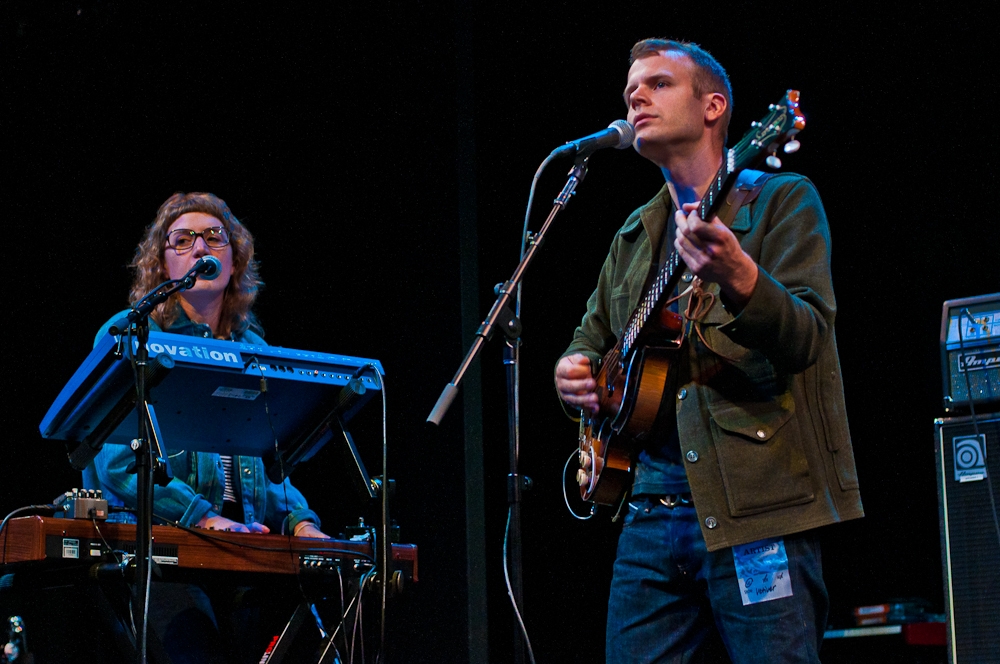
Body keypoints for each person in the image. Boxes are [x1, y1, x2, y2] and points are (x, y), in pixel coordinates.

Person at [554, 40, 864, 663]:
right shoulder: (635, 235)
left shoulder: (781, 201)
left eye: (659, 84)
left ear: (714, 106)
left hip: (757, 510)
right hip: (648, 516)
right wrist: (574, 377)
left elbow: (808, 338)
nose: (635, 96)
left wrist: (742, 278)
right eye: (630, 91)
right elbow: (588, 342)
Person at [83, 191, 330, 663]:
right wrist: (201, 515)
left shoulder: (253, 346)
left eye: (214, 237)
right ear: (163, 266)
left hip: (242, 547)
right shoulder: (131, 333)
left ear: (234, 262)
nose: (200, 247)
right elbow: (117, 461)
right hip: (159, 547)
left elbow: (270, 460)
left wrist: (300, 520)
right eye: (183, 240)